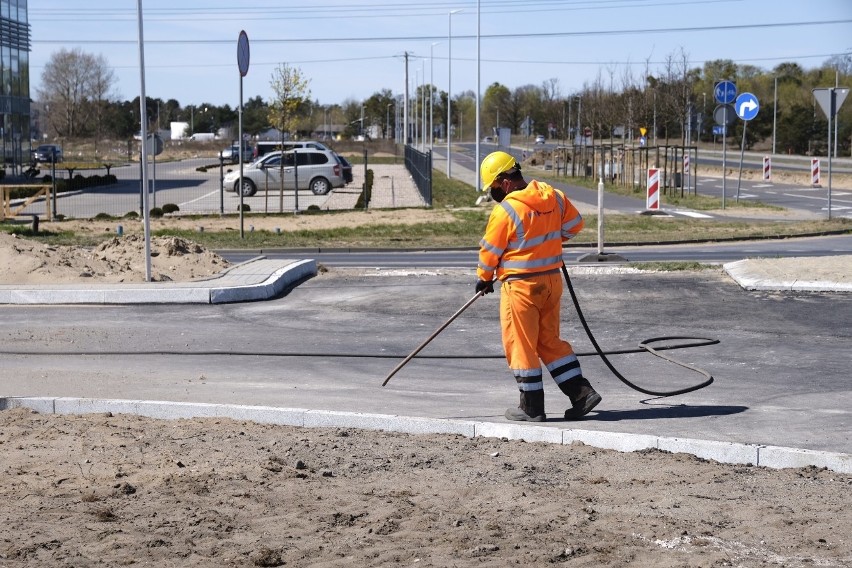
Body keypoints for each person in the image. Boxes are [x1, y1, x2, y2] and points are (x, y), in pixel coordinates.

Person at [475, 150, 601, 422]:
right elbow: (575, 225)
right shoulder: (553, 196)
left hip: (522, 288)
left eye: (494, 187)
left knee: (521, 345)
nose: (493, 194)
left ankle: (531, 407)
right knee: (548, 340)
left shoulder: (507, 209)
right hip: (551, 283)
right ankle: (581, 393)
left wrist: (484, 279)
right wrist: (548, 243)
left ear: (504, 182)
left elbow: (490, 252)